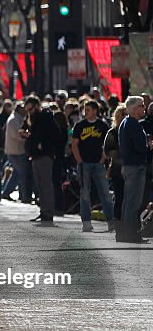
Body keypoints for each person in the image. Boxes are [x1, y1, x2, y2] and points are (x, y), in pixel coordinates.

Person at [71, 100, 115, 233]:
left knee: (105, 193)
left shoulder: (102, 125)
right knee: (85, 193)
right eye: (85, 109)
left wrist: (103, 159)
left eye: (88, 109)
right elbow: (74, 144)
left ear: (95, 111)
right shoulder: (79, 125)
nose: (86, 112)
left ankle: (111, 221)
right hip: (84, 164)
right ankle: (86, 222)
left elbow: (107, 144)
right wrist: (79, 161)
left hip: (98, 163)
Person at [117, 96, 150, 243]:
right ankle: (131, 234)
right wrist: (148, 145)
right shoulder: (133, 124)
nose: (144, 108)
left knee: (129, 201)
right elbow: (139, 147)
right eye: (141, 106)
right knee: (134, 202)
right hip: (135, 166)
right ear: (134, 108)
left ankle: (127, 233)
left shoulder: (126, 122)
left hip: (129, 166)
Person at [22, 96, 60, 225]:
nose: (29, 112)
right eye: (27, 110)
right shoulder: (31, 118)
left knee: (46, 185)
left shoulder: (45, 117)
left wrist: (42, 143)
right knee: (40, 185)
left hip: (44, 154)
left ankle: (48, 213)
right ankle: (44, 211)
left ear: (37, 106)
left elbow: (55, 134)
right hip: (35, 155)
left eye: (31, 109)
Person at [2, 102, 32, 203]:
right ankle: (24, 196)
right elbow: (16, 134)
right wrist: (26, 136)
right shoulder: (14, 120)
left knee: (16, 173)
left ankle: (6, 192)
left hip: (15, 150)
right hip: (16, 151)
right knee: (22, 173)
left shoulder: (17, 118)